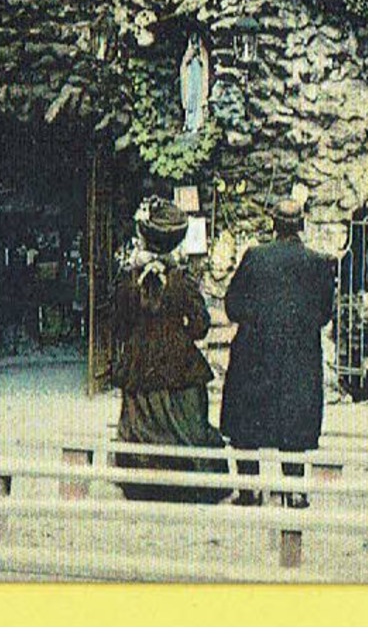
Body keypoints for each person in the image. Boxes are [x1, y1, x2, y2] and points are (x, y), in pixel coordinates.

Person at [110, 197, 229, 503]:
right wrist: (180, 332)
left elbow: (118, 326)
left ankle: (145, 483)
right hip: (180, 364)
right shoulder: (182, 280)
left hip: (140, 365)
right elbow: (201, 326)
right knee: (190, 426)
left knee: (139, 421)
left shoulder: (128, 281)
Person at [219, 197, 335, 506]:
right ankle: (294, 491)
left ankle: (250, 489)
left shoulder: (254, 258)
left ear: (273, 224)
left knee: (247, 424)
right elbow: (325, 314)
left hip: (254, 356)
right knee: (294, 424)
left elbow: (232, 306)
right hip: (298, 358)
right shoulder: (318, 263)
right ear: (302, 224)